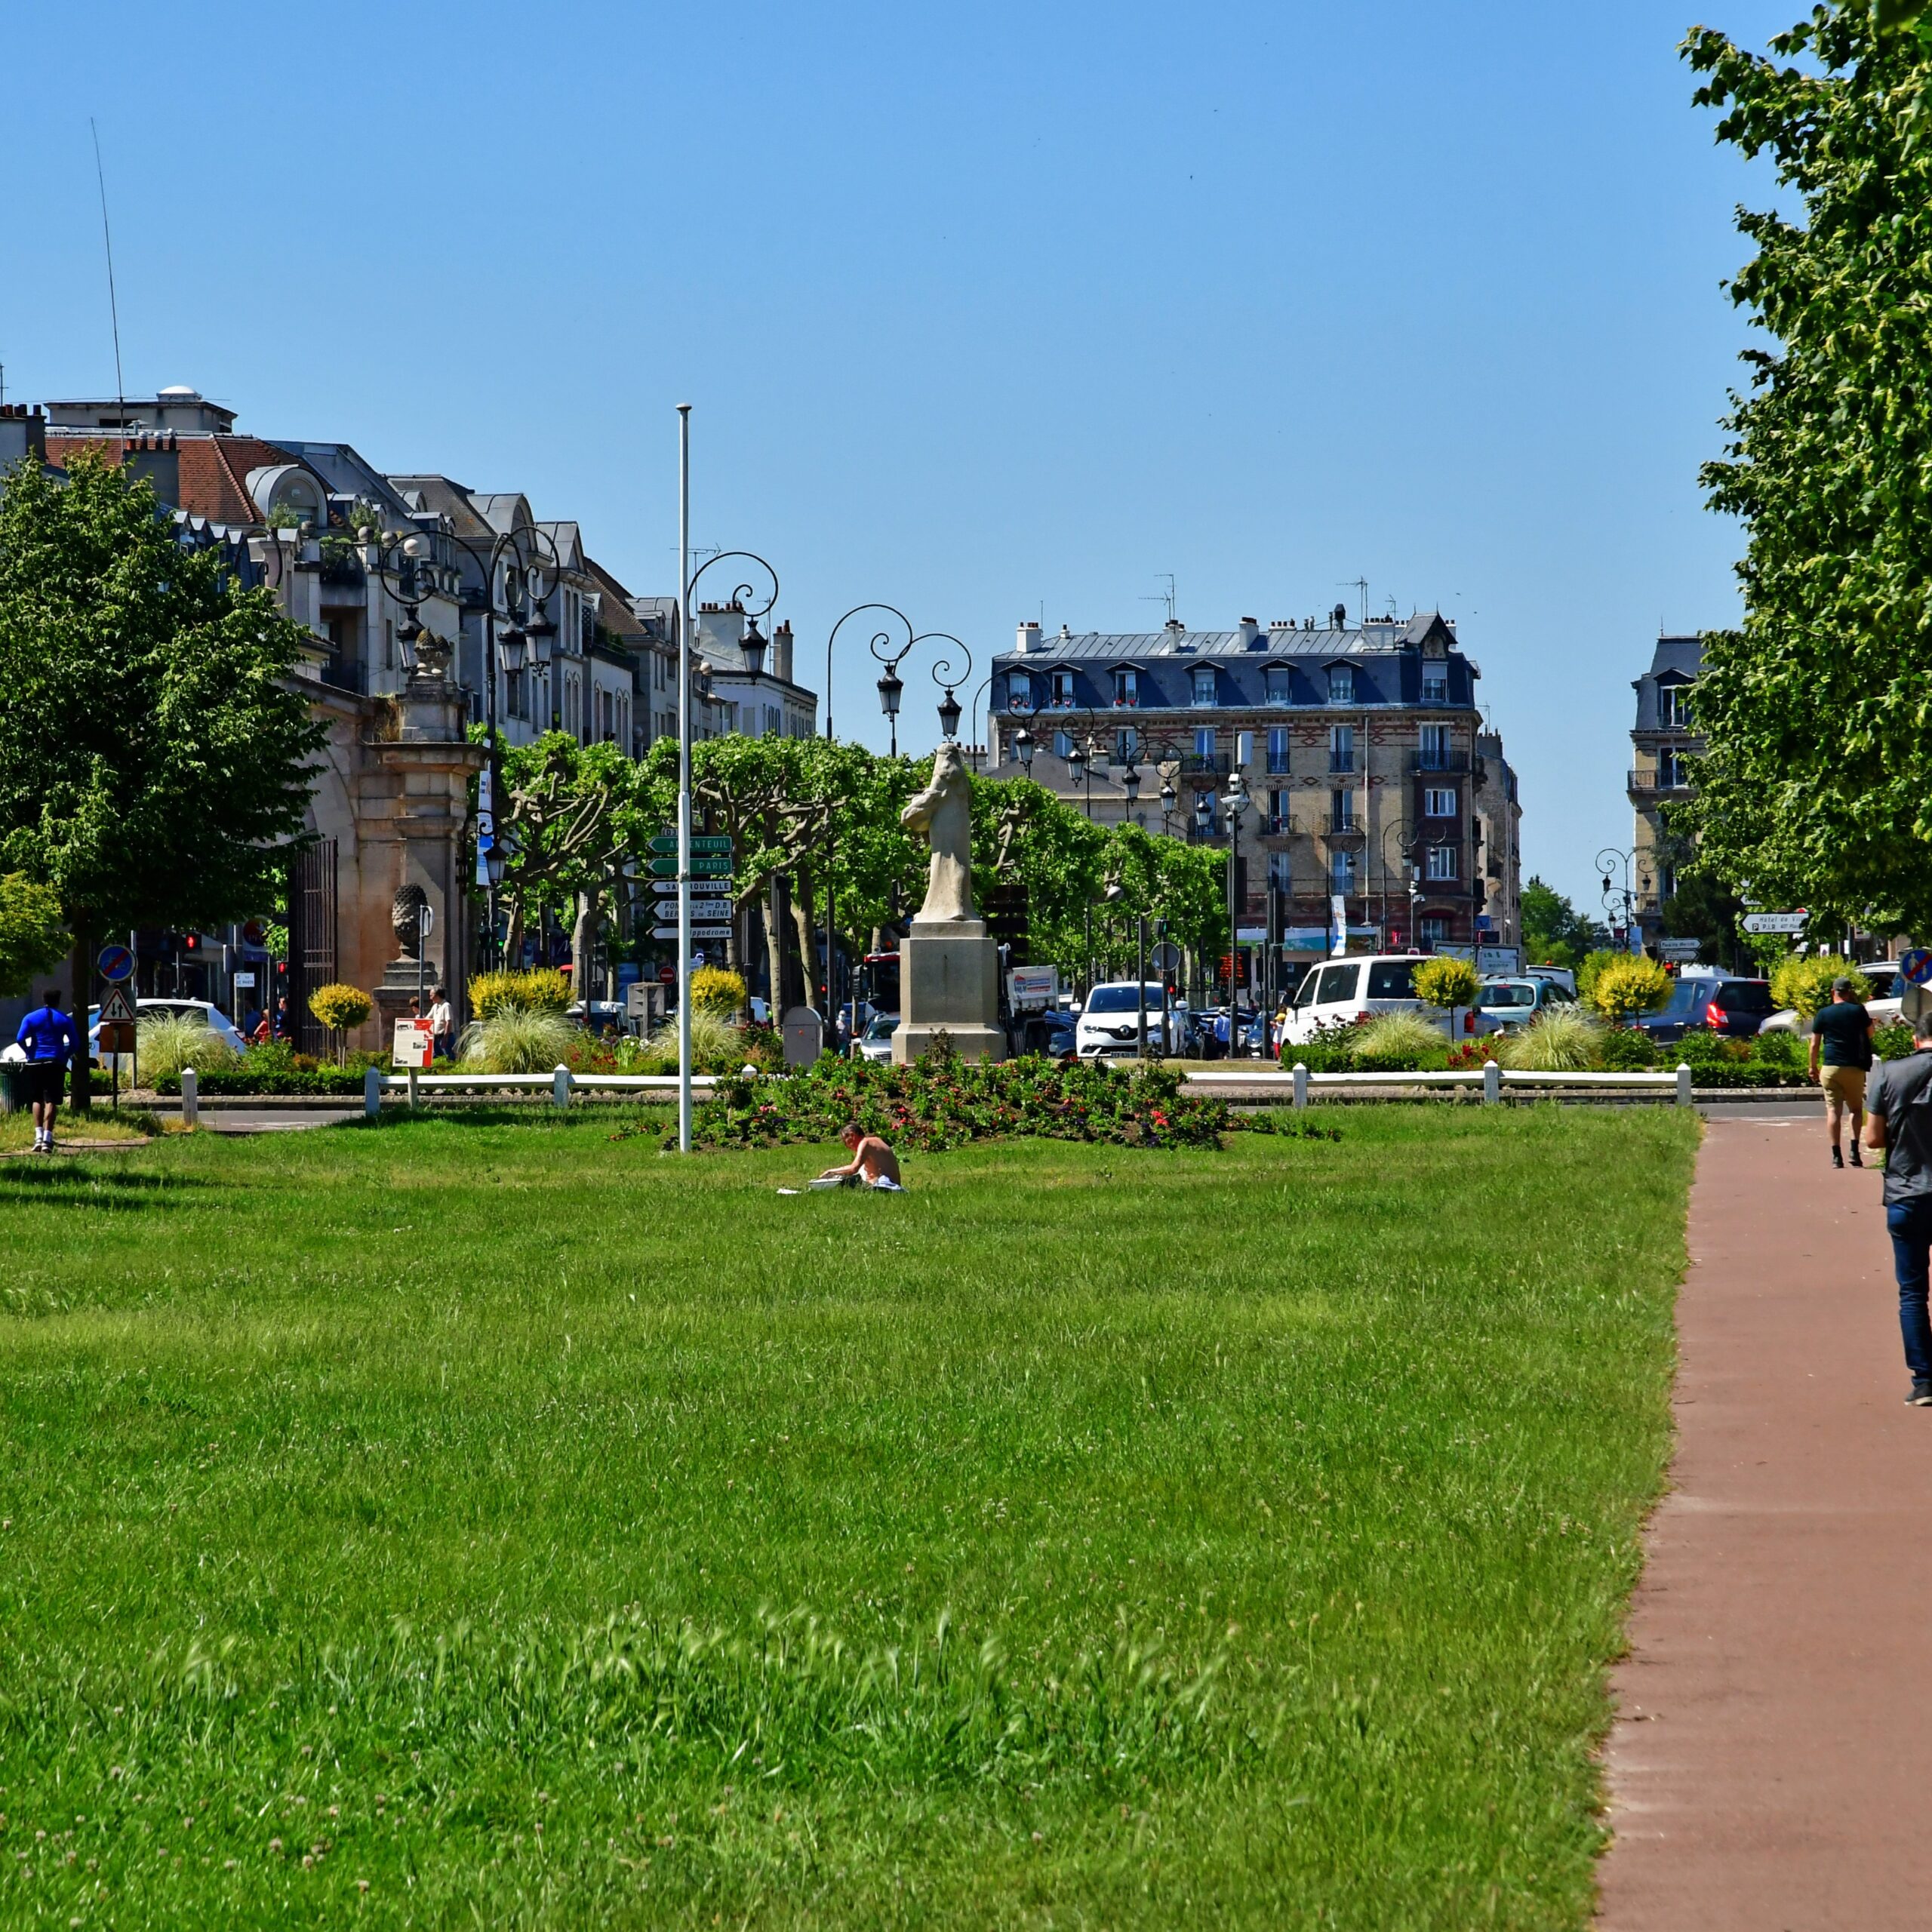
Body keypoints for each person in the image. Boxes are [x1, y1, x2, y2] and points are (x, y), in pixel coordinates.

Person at [1863, 1001, 1932, 1404]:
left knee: (1912, 1292)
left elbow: (1872, 1139)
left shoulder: (1889, 1074)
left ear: (1915, 1039)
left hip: (1907, 1192)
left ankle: (1925, 1379)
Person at [1810, 975, 1875, 1168]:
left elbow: (1814, 1044)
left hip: (1830, 1067)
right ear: (1850, 992)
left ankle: (1836, 1155)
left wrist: (1813, 1067)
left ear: (1833, 992)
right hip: (1854, 1067)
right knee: (1855, 1109)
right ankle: (1855, 1151)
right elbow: (1870, 1033)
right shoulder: (1858, 1011)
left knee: (1833, 1110)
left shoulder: (1823, 1014)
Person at [14, 989, 78, 1155]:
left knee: (37, 1099)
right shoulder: (64, 1019)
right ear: (58, 1000)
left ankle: (38, 1136)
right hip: (55, 1062)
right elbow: (75, 1043)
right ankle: (47, 1140)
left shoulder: (31, 1017)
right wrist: (65, 1056)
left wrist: (29, 1053)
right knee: (52, 1099)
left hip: (35, 1062)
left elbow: (20, 1038)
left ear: (43, 999)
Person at [817, 1122, 904, 1191]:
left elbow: (853, 1168)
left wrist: (830, 1172)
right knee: (862, 1169)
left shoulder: (865, 1143)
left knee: (848, 1180)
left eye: (845, 1141)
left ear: (852, 1135)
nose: (847, 1146)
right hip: (894, 1183)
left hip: (883, 1185)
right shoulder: (876, 1140)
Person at [427, 985, 454, 1062]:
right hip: (436, 1037)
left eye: (431, 995)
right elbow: (428, 1019)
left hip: (445, 1037)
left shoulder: (446, 1006)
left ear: (437, 995)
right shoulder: (435, 1006)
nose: (430, 998)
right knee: (437, 1058)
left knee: (448, 1057)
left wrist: (445, 1038)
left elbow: (448, 1022)